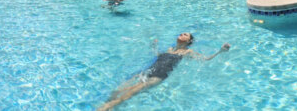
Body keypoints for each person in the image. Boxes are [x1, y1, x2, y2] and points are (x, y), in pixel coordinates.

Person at [99, 33, 230, 110]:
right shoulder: (170, 48)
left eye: (185, 35)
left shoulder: (187, 52)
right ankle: (109, 104)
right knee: (120, 88)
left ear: (189, 41)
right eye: (182, 33)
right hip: (148, 71)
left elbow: (205, 59)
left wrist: (220, 51)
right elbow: (158, 56)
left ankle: (105, 108)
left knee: (132, 91)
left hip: (158, 76)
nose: (181, 34)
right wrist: (154, 46)